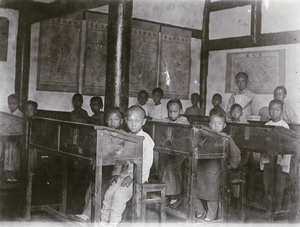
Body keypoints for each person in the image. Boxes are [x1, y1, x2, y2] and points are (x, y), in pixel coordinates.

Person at [100, 105, 154, 226]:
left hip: (137, 179)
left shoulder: (147, 140)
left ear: (144, 122)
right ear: (125, 120)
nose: (133, 124)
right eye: (130, 120)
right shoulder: (126, 137)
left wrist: (134, 177)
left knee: (119, 197)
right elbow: (120, 159)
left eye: (137, 121)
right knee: (108, 194)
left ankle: (113, 223)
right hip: (123, 175)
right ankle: (103, 221)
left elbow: (146, 163)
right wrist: (116, 173)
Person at [68, 107, 124, 222]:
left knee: (102, 187)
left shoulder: (123, 136)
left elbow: (120, 159)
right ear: (106, 120)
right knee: (91, 189)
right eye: (109, 119)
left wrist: (116, 172)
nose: (112, 122)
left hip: (115, 170)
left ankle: (87, 216)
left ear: (122, 121)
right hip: (102, 167)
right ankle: (87, 214)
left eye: (116, 119)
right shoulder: (103, 133)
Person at [195, 112, 240, 221]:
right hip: (201, 169)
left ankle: (211, 216)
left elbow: (236, 152)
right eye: (213, 123)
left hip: (216, 171)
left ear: (224, 125)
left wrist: (231, 166)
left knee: (213, 194)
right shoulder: (203, 136)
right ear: (209, 124)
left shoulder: (226, 138)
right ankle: (200, 212)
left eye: (219, 123)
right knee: (194, 190)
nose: (216, 126)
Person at [260, 99, 290, 210]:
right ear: (268, 111)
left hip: (280, 162)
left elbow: (287, 144)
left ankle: (277, 207)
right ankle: (267, 206)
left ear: (281, 111)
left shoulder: (285, 126)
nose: (274, 112)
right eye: (271, 110)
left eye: (277, 110)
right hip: (268, 161)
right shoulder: (267, 125)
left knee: (279, 185)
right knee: (267, 183)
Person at [161, 99, 189, 208]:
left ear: (180, 110)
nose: (172, 114)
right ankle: (168, 193)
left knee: (170, 168)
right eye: (170, 111)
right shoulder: (165, 120)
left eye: (175, 111)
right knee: (163, 166)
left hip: (182, 152)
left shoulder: (183, 120)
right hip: (171, 151)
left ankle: (175, 195)